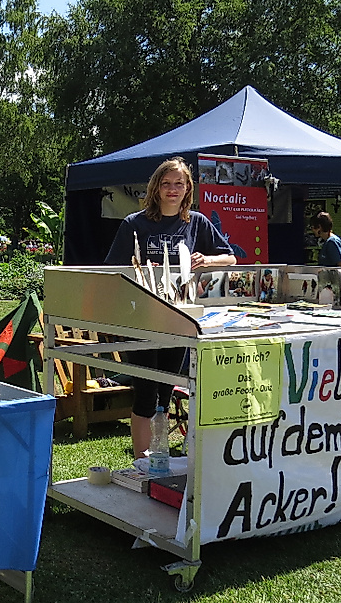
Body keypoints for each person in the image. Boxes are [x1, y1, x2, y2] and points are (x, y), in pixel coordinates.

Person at [105, 157, 236, 459]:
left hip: (179, 319)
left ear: (188, 188)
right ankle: (141, 464)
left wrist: (207, 259)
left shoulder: (197, 222)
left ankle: (158, 458)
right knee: (145, 393)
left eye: (179, 183)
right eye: (166, 183)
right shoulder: (134, 224)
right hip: (140, 320)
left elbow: (230, 258)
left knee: (165, 392)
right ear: (156, 187)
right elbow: (113, 270)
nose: (173, 189)